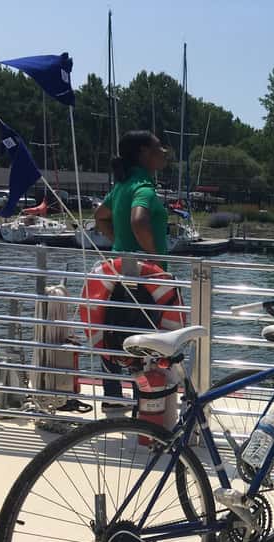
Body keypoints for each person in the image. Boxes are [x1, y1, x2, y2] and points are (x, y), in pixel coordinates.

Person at [92, 131, 169, 411]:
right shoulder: (143, 188)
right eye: (159, 147)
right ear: (144, 153)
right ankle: (144, 406)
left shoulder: (122, 187)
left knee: (116, 333)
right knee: (146, 342)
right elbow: (139, 220)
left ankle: (112, 400)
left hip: (119, 275)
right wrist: (154, 259)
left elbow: (100, 216)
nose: (165, 152)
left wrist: (118, 244)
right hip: (146, 281)